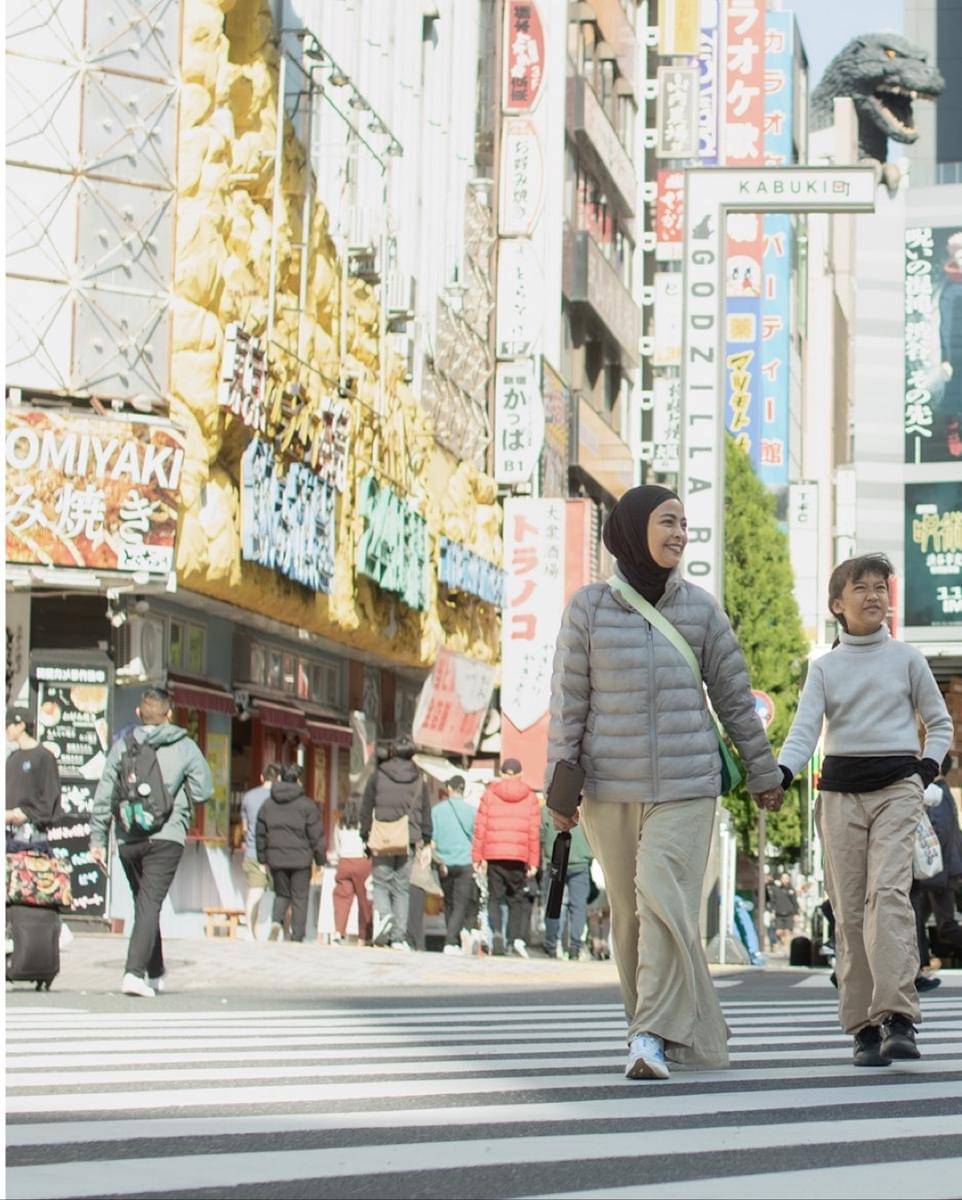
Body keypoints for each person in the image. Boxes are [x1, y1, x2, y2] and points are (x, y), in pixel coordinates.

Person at [546, 485, 784, 1081]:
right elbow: (570, 704)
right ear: (631, 529)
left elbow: (734, 699)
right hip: (609, 784)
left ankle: (651, 1033)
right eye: (667, 521)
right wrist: (560, 789)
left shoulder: (701, 609)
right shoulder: (588, 608)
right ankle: (656, 1030)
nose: (680, 533)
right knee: (629, 914)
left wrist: (762, 771)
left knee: (660, 893)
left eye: (684, 523)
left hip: (687, 782)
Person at [778, 553, 953, 1067]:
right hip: (839, 794)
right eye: (862, 588)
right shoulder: (825, 668)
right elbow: (805, 731)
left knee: (888, 896)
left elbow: (940, 724)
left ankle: (899, 1017)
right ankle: (863, 1028)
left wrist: (923, 771)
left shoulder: (908, 658)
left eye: (881, 587)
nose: (875, 595)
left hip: (898, 788)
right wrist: (783, 776)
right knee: (850, 911)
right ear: (838, 603)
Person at [90, 687, 213, 997]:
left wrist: (98, 839)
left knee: (145, 903)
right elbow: (204, 791)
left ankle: (155, 971)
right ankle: (133, 973)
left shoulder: (122, 746)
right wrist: (176, 797)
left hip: (129, 836)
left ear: (138, 715)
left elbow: (105, 794)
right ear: (169, 715)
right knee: (149, 904)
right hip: (167, 837)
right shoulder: (184, 746)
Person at [360, 736, 432, 951]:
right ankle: (399, 937)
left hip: (382, 837)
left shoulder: (378, 776)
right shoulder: (419, 779)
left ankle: (384, 917)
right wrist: (426, 840)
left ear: (392, 751)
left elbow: (366, 807)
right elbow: (426, 811)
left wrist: (365, 835)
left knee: (381, 883)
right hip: (408, 839)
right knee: (402, 888)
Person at [472, 758, 540, 958]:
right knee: (516, 899)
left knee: (495, 897)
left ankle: (498, 934)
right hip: (518, 856)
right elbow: (533, 832)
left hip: (494, 854)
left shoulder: (489, 794)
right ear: (520, 774)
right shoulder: (530, 797)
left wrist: (477, 856)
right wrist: (533, 861)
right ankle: (512, 941)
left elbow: (480, 827)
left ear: (501, 773)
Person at [255, 762, 326, 943]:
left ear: (280, 779)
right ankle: (297, 936)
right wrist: (320, 860)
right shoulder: (307, 806)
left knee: (282, 894)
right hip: (301, 859)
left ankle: (276, 921)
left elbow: (260, 834)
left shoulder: (267, 805)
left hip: (276, 858)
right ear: (298, 780)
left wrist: (262, 858)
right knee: (300, 898)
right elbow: (316, 835)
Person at [912, 755, 962, 974]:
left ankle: (919, 965)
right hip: (942, 870)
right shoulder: (943, 792)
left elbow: (939, 832)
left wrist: (931, 866)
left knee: (944, 925)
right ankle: (919, 965)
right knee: (917, 919)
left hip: (939, 871)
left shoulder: (938, 793)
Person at [540, 802, 593, 960]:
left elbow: (543, 834)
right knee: (578, 906)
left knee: (555, 902)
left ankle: (551, 944)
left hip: (556, 859)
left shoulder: (549, 808)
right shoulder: (586, 808)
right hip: (581, 862)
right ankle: (575, 947)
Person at [431, 775, 477, 955]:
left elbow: (432, 839)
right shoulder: (472, 811)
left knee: (448, 902)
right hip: (465, 861)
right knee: (461, 903)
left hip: (444, 862)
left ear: (449, 788)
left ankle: (452, 940)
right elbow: (476, 837)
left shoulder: (437, 810)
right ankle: (451, 941)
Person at [5, 707, 61, 840]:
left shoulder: (44, 757)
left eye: (9, 725)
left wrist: (25, 814)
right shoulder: (12, 758)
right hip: (8, 831)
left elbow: (50, 797)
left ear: (21, 725)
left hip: (30, 831)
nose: (5, 729)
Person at [239, 763, 281, 939]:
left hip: (253, 851)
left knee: (254, 891)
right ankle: (280, 929)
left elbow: (244, 827)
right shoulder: (279, 798)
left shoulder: (248, 797)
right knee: (283, 894)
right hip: (277, 852)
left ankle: (250, 930)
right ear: (278, 779)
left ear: (262, 777)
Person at [332, 796, 373, 945]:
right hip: (362, 863)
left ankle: (338, 932)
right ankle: (363, 937)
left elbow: (337, 847)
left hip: (344, 862)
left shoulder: (340, 824)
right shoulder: (365, 824)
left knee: (342, 898)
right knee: (365, 902)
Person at [769, 873, 799, 953]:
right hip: (779, 914)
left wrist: (796, 914)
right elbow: (773, 901)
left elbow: (795, 902)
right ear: (781, 879)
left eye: (787, 878)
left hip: (789, 913)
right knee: (778, 932)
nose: (785, 880)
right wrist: (772, 911)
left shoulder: (792, 890)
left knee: (787, 932)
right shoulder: (776, 889)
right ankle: (782, 943)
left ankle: (786, 949)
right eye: (783, 878)